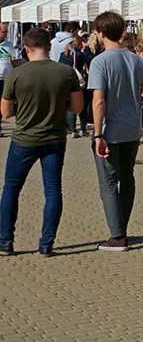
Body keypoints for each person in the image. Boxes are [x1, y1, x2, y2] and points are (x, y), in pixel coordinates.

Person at [88, 11, 143, 252]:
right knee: (127, 177)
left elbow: (99, 101)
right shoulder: (136, 60)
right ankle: (120, 228)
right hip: (133, 128)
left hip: (110, 129)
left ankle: (117, 235)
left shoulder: (100, 62)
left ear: (101, 33)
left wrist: (97, 133)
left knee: (108, 181)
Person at [0, 28, 84, 256]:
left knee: (11, 190)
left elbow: (5, 112)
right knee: (53, 191)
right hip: (55, 138)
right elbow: (77, 107)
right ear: (49, 46)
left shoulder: (16, 75)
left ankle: (5, 242)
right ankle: (46, 244)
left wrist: (24, 109)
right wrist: (59, 107)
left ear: (26, 49)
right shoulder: (66, 72)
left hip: (24, 139)